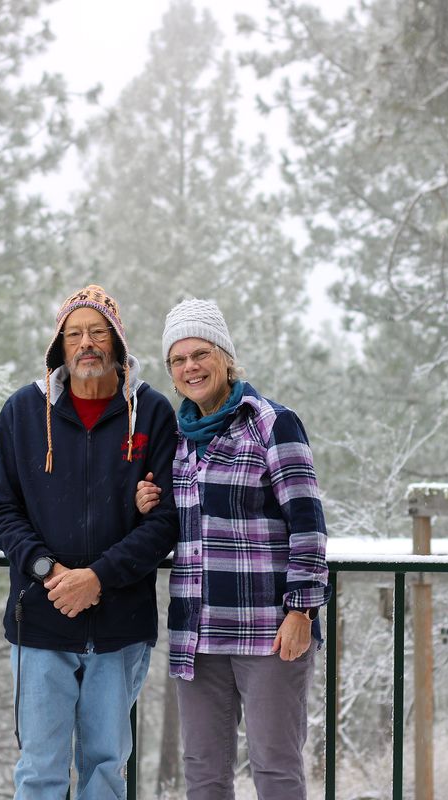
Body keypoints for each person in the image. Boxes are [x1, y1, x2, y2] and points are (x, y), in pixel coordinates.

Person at [0, 284, 179, 800]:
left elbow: (167, 522)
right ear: (60, 346)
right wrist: (50, 570)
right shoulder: (24, 412)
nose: (86, 343)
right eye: (75, 334)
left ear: (116, 340)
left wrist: (98, 578)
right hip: (41, 621)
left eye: (97, 332)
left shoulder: (153, 413)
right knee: (41, 771)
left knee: (105, 770)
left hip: (121, 624)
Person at [136, 298, 331, 800]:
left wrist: (302, 610)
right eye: (178, 361)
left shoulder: (272, 423)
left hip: (268, 629)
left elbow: (308, 523)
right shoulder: (175, 439)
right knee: (203, 774)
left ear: (225, 356)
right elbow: (172, 523)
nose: (190, 367)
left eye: (200, 354)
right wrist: (146, 502)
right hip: (197, 633)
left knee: (276, 770)